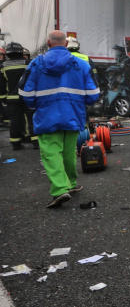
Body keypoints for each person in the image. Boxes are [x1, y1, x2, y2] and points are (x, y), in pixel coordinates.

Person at [20, 31, 99, 208]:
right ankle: (71, 183)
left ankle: (59, 189)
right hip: (72, 115)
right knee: (69, 151)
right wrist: (79, 103)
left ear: (48, 43)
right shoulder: (81, 65)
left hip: (46, 116)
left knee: (51, 154)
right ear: (65, 44)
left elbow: (25, 93)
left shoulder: (36, 64)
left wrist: (35, 105)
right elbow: (93, 94)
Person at [2, 43, 38, 149]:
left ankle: (16, 143)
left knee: (15, 121)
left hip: (12, 99)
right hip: (28, 96)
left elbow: (2, 84)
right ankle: (36, 142)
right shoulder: (28, 63)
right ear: (20, 52)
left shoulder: (3, 66)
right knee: (32, 119)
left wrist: (3, 97)